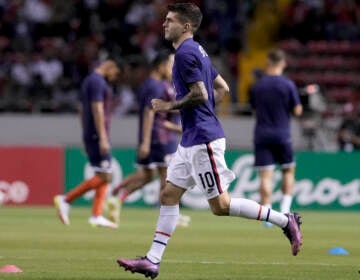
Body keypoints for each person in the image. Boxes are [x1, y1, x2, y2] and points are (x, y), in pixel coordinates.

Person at [115, 3, 303, 279]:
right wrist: (200, 113)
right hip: (192, 138)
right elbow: (222, 88)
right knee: (168, 194)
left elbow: (201, 93)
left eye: (169, 21)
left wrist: (169, 107)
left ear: (186, 26)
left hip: (203, 139)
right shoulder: (198, 51)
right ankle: (152, 260)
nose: (164, 24)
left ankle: (285, 220)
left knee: (221, 206)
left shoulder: (184, 54)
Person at [106, 51, 189, 227]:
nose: (171, 69)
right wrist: (145, 141)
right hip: (160, 137)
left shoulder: (150, 85)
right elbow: (149, 112)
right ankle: (168, 214)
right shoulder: (156, 86)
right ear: (160, 66)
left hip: (154, 135)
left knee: (146, 175)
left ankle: (117, 195)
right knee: (166, 177)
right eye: (169, 65)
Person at [54, 58, 122, 229]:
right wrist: (103, 137)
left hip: (91, 133)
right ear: (109, 66)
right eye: (116, 73)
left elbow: (81, 109)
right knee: (105, 175)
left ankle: (96, 215)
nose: (114, 77)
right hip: (97, 134)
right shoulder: (97, 82)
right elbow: (97, 109)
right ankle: (66, 199)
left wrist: (85, 134)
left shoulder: (89, 81)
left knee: (103, 172)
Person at [249, 49, 303, 226]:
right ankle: (286, 210)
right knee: (288, 170)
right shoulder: (288, 85)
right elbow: (297, 110)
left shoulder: (257, 86)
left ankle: (268, 215)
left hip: (262, 134)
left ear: (267, 62)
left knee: (266, 175)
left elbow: (253, 108)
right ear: (283, 63)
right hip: (282, 134)